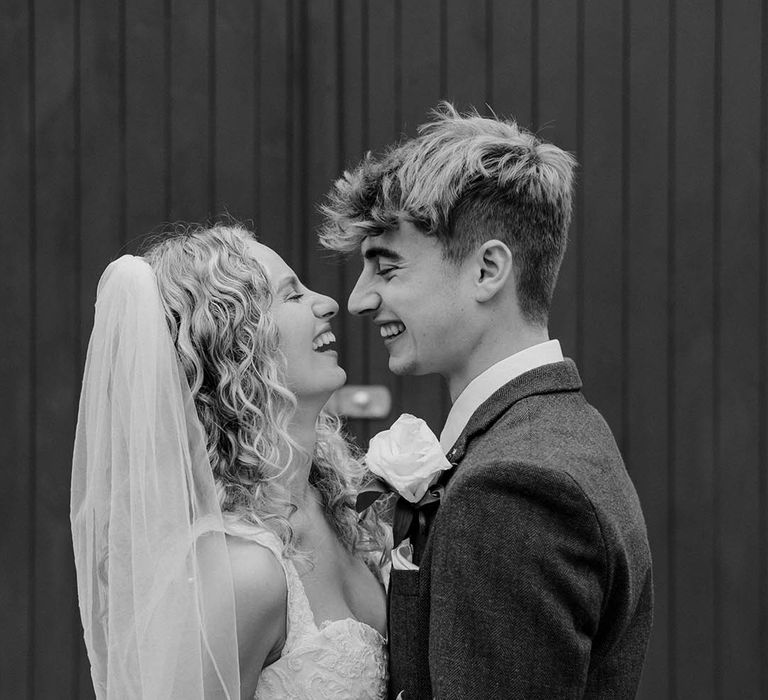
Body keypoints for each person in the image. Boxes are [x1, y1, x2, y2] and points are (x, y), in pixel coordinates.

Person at [320, 103, 653, 699]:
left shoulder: (513, 484)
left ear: (487, 270)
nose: (359, 300)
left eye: (387, 268)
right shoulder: (557, 430)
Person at [71, 224, 389, 699]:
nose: (327, 302)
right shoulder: (242, 573)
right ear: (238, 346)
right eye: (293, 296)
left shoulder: (339, 506)